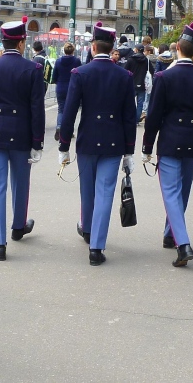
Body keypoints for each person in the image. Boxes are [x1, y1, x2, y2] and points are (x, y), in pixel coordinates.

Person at [58, 21, 136, 266]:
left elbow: (69, 113)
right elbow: (129, 116)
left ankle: (88, 229)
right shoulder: (124, 76)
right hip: (113, 141)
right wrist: (129, 151)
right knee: (105, 193)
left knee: (87, 190)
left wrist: (63, 146)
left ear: (93, 47)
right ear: (112, 48)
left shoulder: (80, 73)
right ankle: (96, 247)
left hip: (88, 139)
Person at [142, 22, 193, 267]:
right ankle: (170, 233)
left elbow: (154, 116)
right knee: (181, 192)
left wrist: (147, 147)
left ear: (178, 49)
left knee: (171, 193)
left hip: (170, 141)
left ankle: (183, 244)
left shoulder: (164, 77)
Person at [0, 17, 45, 261]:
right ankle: (18, 226)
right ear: (21, 43)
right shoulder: (33, 69)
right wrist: (37, 141)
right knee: (21, 183)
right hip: (22, 135)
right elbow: (37, 109)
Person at [52, 41, 82, 140]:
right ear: (73, 51)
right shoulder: (76, 61)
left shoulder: (58, 61)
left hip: (60, 87)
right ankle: (69, 132)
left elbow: (54, 77)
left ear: (64, 51)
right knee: (71, 110)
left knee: (61, 109)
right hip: (72, 88)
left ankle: (59, 126)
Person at [125, 43, 154, 125]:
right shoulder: (146, 60)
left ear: (136, 50)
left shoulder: (131, 59)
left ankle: (130, 118)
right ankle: (137, 120)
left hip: (132, 84)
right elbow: (152, 71)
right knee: (140, 103)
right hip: (142, 84)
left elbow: (125, 71)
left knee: (130, 102)